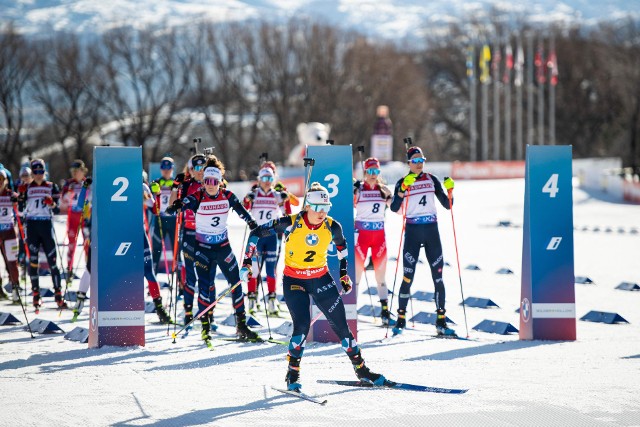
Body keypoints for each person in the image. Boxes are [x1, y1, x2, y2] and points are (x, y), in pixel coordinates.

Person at [241, 182, 387, 391]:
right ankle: (293, 373)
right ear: (307, 206)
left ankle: (362, 370)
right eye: (317, 208)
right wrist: (247, 262)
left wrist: (344, 275)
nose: (322, 213)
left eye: (326, 208)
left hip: (320, 278)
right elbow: (256, 233)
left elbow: (342, 249)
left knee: (342, 327)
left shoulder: (332, 225)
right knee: (302, 326)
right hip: (294, 281)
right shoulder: (290, 222)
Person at [167, 158, 261, 344]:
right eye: (207, 181)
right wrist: (176, 205)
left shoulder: (227, 195)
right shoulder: (197, 197)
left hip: (223, 247)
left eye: (214, 182)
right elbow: (173, 210)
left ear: (219, 182)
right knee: (206, 287)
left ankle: (241, 325)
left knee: (236, 283)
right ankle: (205, 328)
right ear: (203, 182)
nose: (211, 185)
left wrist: (252, 223)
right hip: (202, 249)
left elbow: (243, 212)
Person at [389, 146, 456, 336]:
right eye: (415, 161)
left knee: (438, 278)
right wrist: (402, 190)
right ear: (409, 163)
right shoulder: (403, 181)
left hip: (431, 232)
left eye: (421, 161)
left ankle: (441, 321)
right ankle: (401, 319)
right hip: (413, 231)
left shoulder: (431, 179)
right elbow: (394, 208)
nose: (419, 164)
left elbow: (447, 205)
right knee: (407, 277)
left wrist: (450, 191)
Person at [18, 158, 64, 311]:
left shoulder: (52, 186)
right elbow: (19, 209)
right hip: (32, 226)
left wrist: (52, 204)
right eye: (36, 171)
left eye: (41, 171)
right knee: (33, 261)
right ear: (32, 172)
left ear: (45, 172)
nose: (39, 174)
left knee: (52, 261)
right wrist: (21, 196)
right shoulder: (27, 187)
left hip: (46, 225)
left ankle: (58, 293)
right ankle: (36, 294)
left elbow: (57, 210)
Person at [353, 157, 394, 325]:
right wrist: (353, 191)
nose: (373, 175)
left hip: (379, 236)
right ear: (364, 172)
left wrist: (394, 195)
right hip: (361, 235)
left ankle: (385, 312)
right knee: (356, 276)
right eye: (369, 171)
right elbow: (350, 204)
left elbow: (398, 209)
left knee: (381, 276)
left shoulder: (383, 189)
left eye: (376, 172)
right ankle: (351, 311)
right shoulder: (359, 189)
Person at [242, 166, 288, 315]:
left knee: (271, 271)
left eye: (270, 179)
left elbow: (285, 213)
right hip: (257, 237)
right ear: (259, 180)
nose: (267, 182)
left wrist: (285, 200)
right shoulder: (254, 194)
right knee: (254, 270)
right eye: (264, 178)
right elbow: (244, 207)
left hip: (271, 237)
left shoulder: (277, 195)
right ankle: (252, 300)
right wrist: (247, 199)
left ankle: (271, 301)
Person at [168, 153, 206, 326]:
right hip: (190, 233)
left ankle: (206, 312)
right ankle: (188, 311)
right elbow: (171, 206)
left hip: (206, 235)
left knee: (206, 275)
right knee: (190, 275)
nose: (200, 171)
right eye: (196, 168)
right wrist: (176, 186)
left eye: (203, 167)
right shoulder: (187, 185)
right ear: (190, 170)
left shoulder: (211, 183)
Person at [60, 159, 90, 279]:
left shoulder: (87, 182)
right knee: (71, 243)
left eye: (76, 171)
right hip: (73, 215)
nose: (74, 173)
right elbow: (62, 200)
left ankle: (89, 268)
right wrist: (68, 194)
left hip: (85, 215)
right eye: (72, 171)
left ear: (82, 171)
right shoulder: (69, 183)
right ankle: (69, 270)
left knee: (87, 242)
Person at [149, 157, 177, 275]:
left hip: (173, 220)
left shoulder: (176, 183)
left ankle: (179, 283)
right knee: (156, 250)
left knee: (177, 251)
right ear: (160, 169)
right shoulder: (156, 183)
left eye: (168, 168)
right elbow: (149, 201)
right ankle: (153, 281)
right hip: (160, 219)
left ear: (172, 169)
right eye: (164, 168)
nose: (166, 171)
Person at [0, 171, 21, 302]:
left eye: (2, 179)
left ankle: (15, 289)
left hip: (9, 231)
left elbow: (19, 200)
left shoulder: (10, 194)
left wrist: (17, 199)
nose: (0, 182)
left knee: (12, 262)